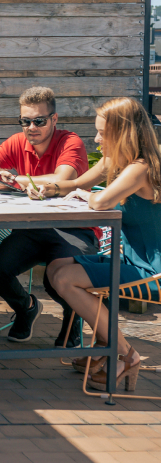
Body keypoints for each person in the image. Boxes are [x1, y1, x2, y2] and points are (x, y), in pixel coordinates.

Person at [39, 97, 161, 391]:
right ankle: (104, 348)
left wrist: (89, 194)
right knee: (58, 266)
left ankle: (125, 354)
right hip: (131, 261)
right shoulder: (119, 162)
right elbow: (82, 183)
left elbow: (101, 200)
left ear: (123, 133)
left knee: (66, 280)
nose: (96, 139)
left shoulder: (139, 167)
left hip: (151, 271)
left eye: (102, 133)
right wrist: (50, 187)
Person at [0, 86, 99, 346]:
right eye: (25, 121)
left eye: (38, 121)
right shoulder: (18, 141)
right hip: (33, 228)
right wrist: (0, 180)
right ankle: (27, 306)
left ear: (54, 119)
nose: (31, 127)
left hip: (74, 229)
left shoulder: (69, 142)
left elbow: (62, 179)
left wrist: (14, 178)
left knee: (57, 279)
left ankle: (72, 316)